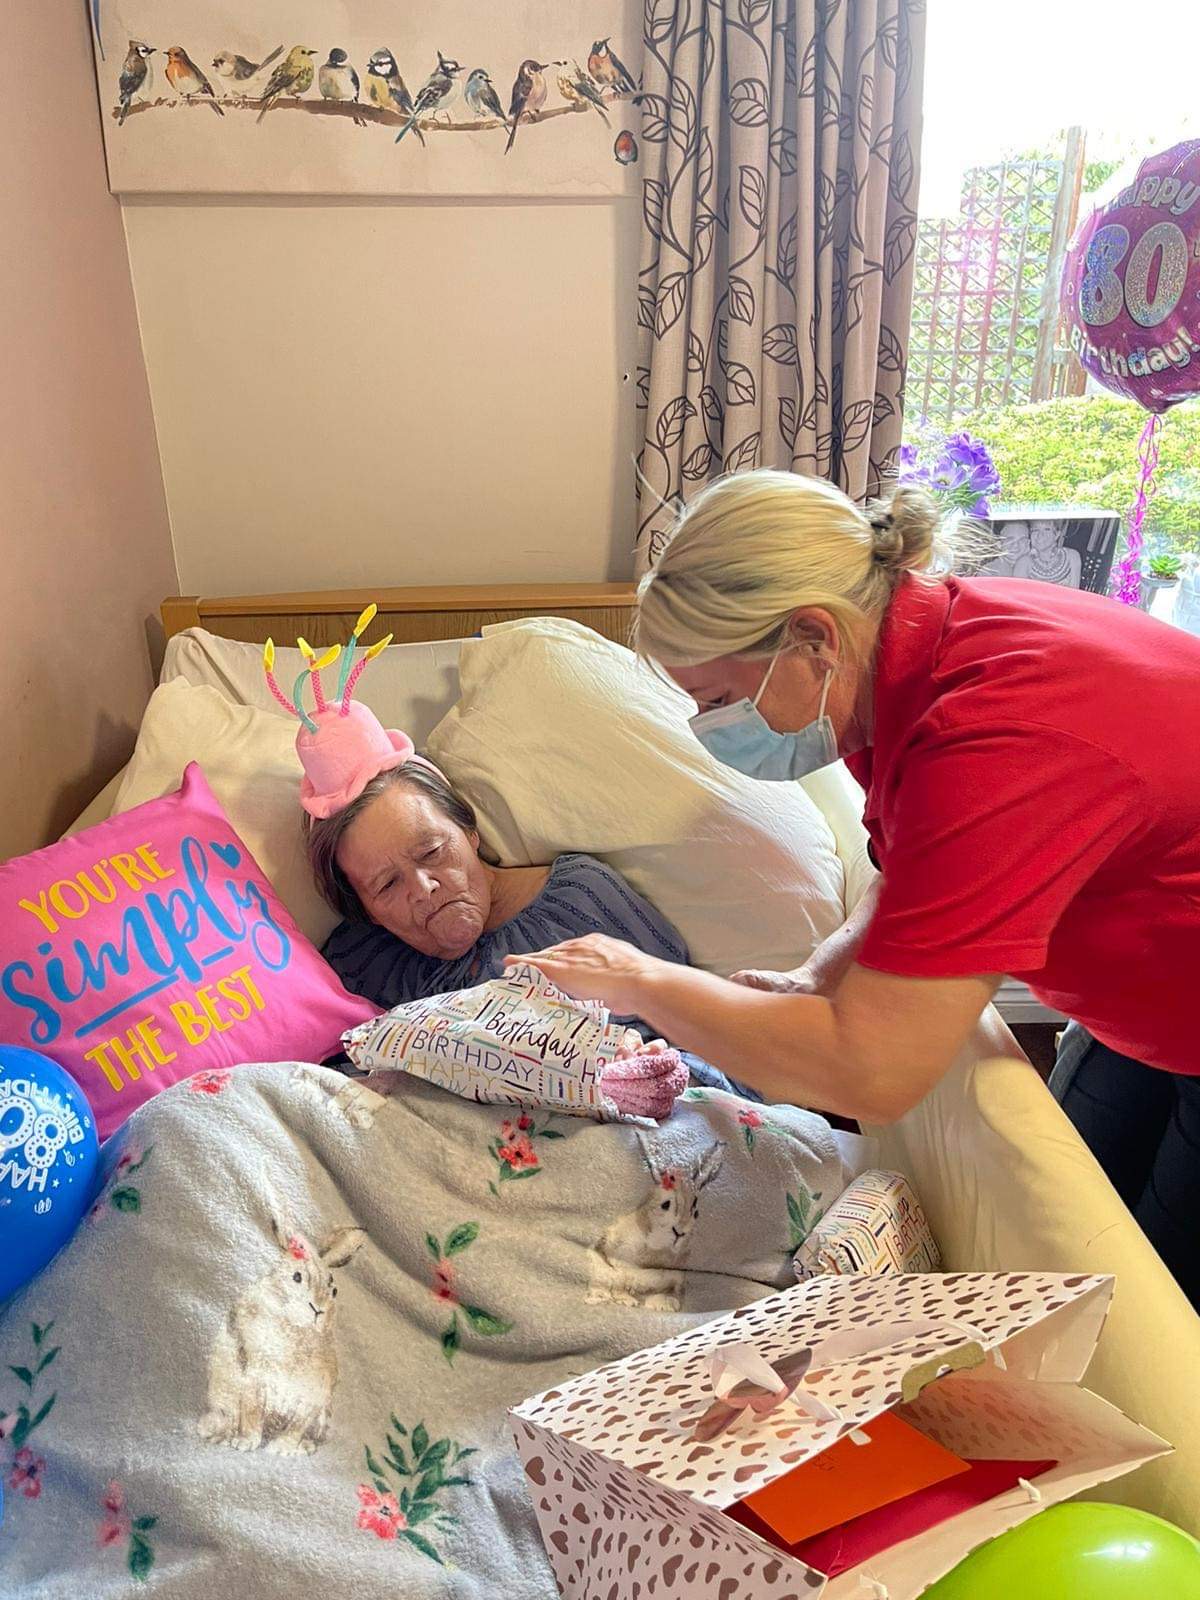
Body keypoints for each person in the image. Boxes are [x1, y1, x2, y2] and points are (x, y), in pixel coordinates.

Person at [510, 469, 1200, 1308]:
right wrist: (821, 971)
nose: (711, 729)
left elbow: (873, 1070)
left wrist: (639, 981)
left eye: (718, 699)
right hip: (1148, 1000)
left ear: (813, 637)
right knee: (1073, 1231)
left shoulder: (996, 729)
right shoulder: (914, 661)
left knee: (1150, 1310)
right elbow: (919, 862)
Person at [306, 755, 754, 1097]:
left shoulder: (579, 899)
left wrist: (646, 1069)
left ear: (469, 831)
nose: (423, 889)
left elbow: (708, 1032)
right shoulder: (359, 963)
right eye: (387, 885)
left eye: (431, 852)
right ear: (366, 909)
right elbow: (319, 1088)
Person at [1012, 517, 1083, 588]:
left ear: (1057, 534)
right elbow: (1017, 593)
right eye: (1035, 530)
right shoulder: (1023, 563)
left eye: (1047, 529)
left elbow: (1074, 592)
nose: (1040, 535)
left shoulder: (1072, 557)